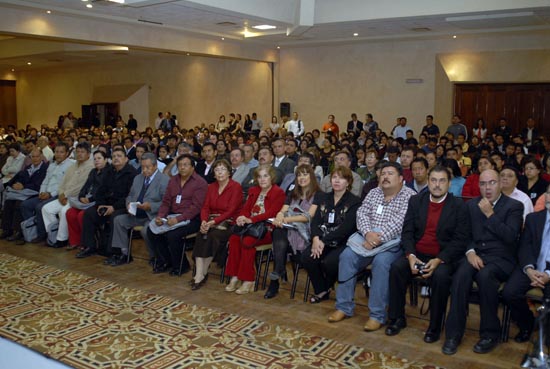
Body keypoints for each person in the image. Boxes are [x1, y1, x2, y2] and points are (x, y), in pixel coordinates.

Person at [443, 169, 523, 355]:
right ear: (478, 186)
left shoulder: (514, 206)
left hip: (501, 259)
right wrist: (470, 252)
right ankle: (453, 334)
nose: (487, 188)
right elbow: (464, 235)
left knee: (486, 276)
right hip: (476, 255)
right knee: (460, 275)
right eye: (483, 184)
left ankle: (489, 334)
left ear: (500, 183)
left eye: (492, 183)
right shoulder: (470, 205)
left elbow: (511, 237)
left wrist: (490, 214)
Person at [385, 165, 469, 343]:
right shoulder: (416, 201)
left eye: (442, 181)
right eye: (433, 180)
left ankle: (435, 327)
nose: (437, 185)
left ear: (449, 183)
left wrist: (439, 260)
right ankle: (397, 318)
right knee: (396, 268)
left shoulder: (458, 205)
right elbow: (407, 232)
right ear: (428, 181)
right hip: (418, 253)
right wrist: (411, 256)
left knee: (441, 277)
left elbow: (460, 240)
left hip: (443, 257)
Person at [328, 162, 415, 331]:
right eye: (383, 174)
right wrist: (368, 233)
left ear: (401, 179)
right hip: (366, 238)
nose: (385, 177)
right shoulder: (374, 192)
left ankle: (377, 315)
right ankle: (343, 307)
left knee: (381, 263)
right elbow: (362, 214)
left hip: (392, 243)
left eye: (390, 173)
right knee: (346, 256)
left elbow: (400, 222)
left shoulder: (409, 196)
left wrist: (376, 239)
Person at [301, 166, 361, 304]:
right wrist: (316, 239)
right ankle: (322, 290)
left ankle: (327, 286)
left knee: (330, 263)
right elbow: (315, 221)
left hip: (342, 242)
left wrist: (323, 241)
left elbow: (346, 228)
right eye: (334, 177)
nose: (337, 181)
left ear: (348, 182)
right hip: (321, 239)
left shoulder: (354, 201)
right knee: (307, 257)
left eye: (341, 178)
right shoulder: (323, 197)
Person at [224, 165, 285, 294]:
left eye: (265, 176)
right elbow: (246, 209)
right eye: (259, 176)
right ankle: (235, 276)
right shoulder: (253, 190)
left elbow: (271, 213)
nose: (262, 179)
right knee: (234, 239)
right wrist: (242, 217)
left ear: (271, 177)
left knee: (247, 242)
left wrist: (251, 220)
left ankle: (248, 280)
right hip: (250, 227)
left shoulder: (278, 192)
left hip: (266, 229)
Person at [502, 185, 550, 344]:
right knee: (510, 292)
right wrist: (529, 269)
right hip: (531, 268)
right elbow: (524, 247)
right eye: (549, 193)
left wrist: (548, 275)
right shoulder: (533, 218)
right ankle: (527, 324)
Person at [104, 153, 170, 266]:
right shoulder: (138, 178)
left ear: (155, 166)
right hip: (136, 214)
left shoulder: (164, 180)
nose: (144, 170)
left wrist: (151, 206)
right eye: (143, 167)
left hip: (152, 216)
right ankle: (124, 254)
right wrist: (128, 204)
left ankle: (155, 256)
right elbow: (130, 195)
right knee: (118, 220)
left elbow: (167, 203)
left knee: (146, 230)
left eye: (148, 167)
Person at [148, 154, 208, 275]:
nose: (182, 168)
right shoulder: (173, 180)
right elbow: (166, 202)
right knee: (152, 230)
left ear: (192, 167)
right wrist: (161, 216)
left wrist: (179, 219)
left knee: (173, 235)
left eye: (185, 165)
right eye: (180, 165)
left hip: (192, 219)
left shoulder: (200, 182)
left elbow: (196, 207)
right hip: (172, 215)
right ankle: (165, 261)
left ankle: (181, 265)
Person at [267, 164, 320, 299]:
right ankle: (277, 274)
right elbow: (283, 209)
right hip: (289, 229)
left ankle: (276, 276)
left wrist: (286, 219)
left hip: (305, 232)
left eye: (305, 174)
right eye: (299, 175)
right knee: (278, 232)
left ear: (311, 176)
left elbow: (308, 216)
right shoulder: (293, 193)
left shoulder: (318, 194)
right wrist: (279, 217)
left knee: (280, 236)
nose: (301, 178)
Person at [76, 147, 137, 258]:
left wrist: (113, 207)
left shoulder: (132, 173)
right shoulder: (109, 171)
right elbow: (101, 191)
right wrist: (100, 205)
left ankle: (114, 252)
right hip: (106, 204)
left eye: (119, 156)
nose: (116, 159)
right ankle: (90, 246)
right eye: (114, 156)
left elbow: (130, 196)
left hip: (122, 206)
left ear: (126, 159)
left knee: (115, 217)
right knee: (89, 213)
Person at [191, 159, 242, 290]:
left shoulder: (235, 187)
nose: (220, 172)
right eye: (217, 170)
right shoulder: (211, 187)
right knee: (201, 234)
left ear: (229, 172)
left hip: (229, 223)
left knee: (212, 236)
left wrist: (212, 222)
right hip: (210, 221)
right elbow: (205, 207)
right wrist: (203, 221)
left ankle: (202, 272)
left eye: (223, 169)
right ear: (213, 173)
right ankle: (199, 274)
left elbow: (231, 210)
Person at [41, 142, 94, 248]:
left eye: (82, 152)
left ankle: (62, 239)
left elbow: (80, 186)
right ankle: (53, 235)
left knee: (64, 211)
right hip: (64, 196)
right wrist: (61, 194)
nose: (79, 154)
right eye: (77, 152)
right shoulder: (73, 166)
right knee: (46, 209)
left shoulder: (91, 166)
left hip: (77, 198)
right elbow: (62, 183)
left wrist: (64, 194)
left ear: (88, 154)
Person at [20, 143, 74, 244]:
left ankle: (43, 235)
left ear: (67, 153)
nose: (58, 154)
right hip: (45, 193)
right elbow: (45, 181)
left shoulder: (70, 165)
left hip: (57, 195)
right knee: (25, 205)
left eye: (61, 152)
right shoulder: (52, 165)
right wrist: (42, 192)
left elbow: (64, 185)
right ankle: (33, 231)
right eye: (56, 152)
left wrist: (50, 194)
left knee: (40, 207)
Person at [1, 148, 48, 243]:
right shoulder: (28, 167)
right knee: (9, 201)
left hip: (35, 192)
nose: (35, 159)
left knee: (19, 203)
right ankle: (7, 229)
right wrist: (18, 184)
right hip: (23, 191)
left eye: (37, 156)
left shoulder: (45, 169)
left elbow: (39, 184)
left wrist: (24, 186)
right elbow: (20, 178)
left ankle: (19, 232)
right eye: (32, 157)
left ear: (42, 157)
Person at [66, 150, 110, 250]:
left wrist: (90, 199)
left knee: (82, 215)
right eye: (95, 159)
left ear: (106, 160)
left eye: (99, 158)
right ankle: (75, 241)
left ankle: (86, 243)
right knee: (70, 213)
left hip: (98, 201)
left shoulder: (109, 172)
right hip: (86, 199)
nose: (96, 161)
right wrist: (81, 196)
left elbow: (102, 190)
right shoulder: (93, 171)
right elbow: (86, 186)